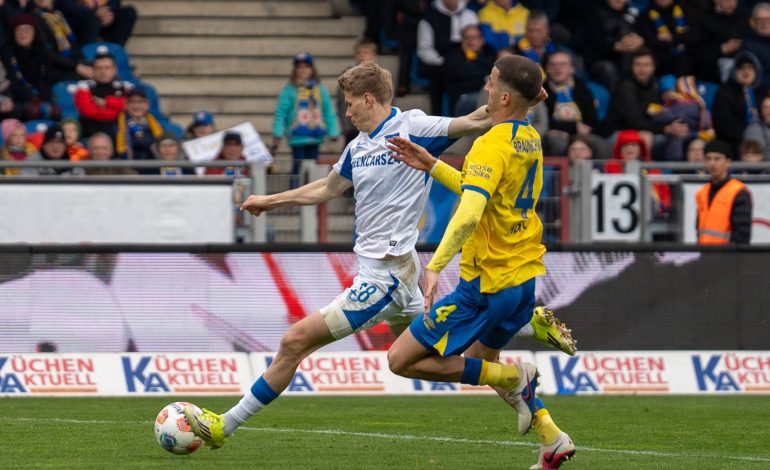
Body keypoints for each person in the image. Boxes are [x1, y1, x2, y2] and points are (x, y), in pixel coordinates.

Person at [183, 60, 575, 451]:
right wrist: (270, 201)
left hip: (384, 278)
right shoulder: (358, 147)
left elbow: (476, 120)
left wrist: (531, 95)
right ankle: (548, 426)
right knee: (455, 358)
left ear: (368, 99)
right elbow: (327, 189)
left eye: (351, 103)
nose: (347, 111)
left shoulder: (413, 126)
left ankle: (224, 426)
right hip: (399, 274)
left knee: (294, 342)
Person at [385, 55, 575, 469]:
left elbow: (471, 212)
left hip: (487, 284)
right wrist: (433, 164)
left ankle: (515, 376)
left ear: (504, 95)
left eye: (491, 83)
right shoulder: (528, 135)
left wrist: (435, 265)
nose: (484, 90)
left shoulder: (489, 143)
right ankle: (552, 437)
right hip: (523, 280)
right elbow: (480, 190)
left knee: (401, 360)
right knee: (482, 365)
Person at [271, 52, 340, 187]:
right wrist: (277, 132)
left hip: (315, 135)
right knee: (298, 168)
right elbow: (281, 112)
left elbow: (328, 110)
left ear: (312, 69)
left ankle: (311, 199)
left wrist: (333, 131)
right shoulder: (289, 89)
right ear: (294, 70)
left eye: (306, 67)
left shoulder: (320, 88)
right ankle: (294, 200)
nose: (303, 70)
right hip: (297, 137)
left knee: (312, 169)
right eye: (299, 67)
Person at [542, 50, 609, 158]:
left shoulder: (582, 89)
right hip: (555, 133)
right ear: (547, 69)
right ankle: (560, 175)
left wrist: (585, 130)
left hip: (581, 135)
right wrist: (573, 127)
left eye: (563, 64)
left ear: (571, 69)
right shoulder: (541, 91)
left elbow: (592, 120)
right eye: (553, 65)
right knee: (556, 141)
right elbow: (544, 122)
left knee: (600, 144)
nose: (558, 68)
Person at [417, 0, 479, 114]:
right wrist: (447, 63)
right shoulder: (429, 19)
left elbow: (477, 42)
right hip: (441, 65)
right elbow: (424, 50)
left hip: (469, 63)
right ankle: (438, 119)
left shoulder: (470, 15)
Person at [1, 13, 59, 121]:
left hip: (42, 95)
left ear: (34, 32)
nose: (23, 34)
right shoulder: (7, 52)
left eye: (28, 30)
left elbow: (47, 77)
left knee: (55, 111)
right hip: (18, 98)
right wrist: (31, 97)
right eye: (19, 30)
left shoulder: (42, 51)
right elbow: (12, 80)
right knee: (32, 111)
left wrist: (44, 96)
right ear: (14, 32)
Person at [696, 139, 752, 244]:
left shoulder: (738, 192)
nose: (712, 163)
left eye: (717, 159)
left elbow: (742, 236)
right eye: (708, 159)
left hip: (728, 258)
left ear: (728, 162)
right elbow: (699, 230)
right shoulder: (702, 193)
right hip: (705, 255)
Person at [712, 51, 762, 152]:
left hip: (761, 143)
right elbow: (724, 127)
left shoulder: (761, 94)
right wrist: (749, 136)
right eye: (742, 68)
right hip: (734, 146)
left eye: (750, 68)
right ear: (734, 71)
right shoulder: (724, 94)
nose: (746, 72)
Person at [442, 24, 496, 115]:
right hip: (463, 95)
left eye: (474, 37)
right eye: (467, 37)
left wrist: (472, 62)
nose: (470, 41)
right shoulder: (453, 54)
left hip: (486, 93)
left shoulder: (489, 52)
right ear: (462, 40)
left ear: (481, 40)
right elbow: (460, 74)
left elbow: (492, 72)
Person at [74, 52, 129, 137]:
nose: (103, 72)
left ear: (115, 69)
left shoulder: (125, 87)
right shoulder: (83, 87)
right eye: (99, 68)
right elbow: (89, 112)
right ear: (93, 69)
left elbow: (129, 106)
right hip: (89, 134)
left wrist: (107, 102)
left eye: (107, 68)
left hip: (119, 136)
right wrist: (116, 110)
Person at [115, 87, 164, 164]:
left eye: (140, 102)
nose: (136, 106)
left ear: (147, 104)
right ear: (126, 105)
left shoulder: (156, 126)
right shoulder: (117, 124)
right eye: (132, 102)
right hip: (127, 167)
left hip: (151, 167)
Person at [743, 3, 770, 92]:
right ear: (753, 23)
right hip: (761, 92)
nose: (764, 23)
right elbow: (753, 78)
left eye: (768, 19)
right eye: (759, 20)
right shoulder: (748, 45)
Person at [743, 93, 770, 161]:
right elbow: (757, 155)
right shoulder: (754, 129)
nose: (769, 110)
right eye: (765, 107)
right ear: (761, 110)